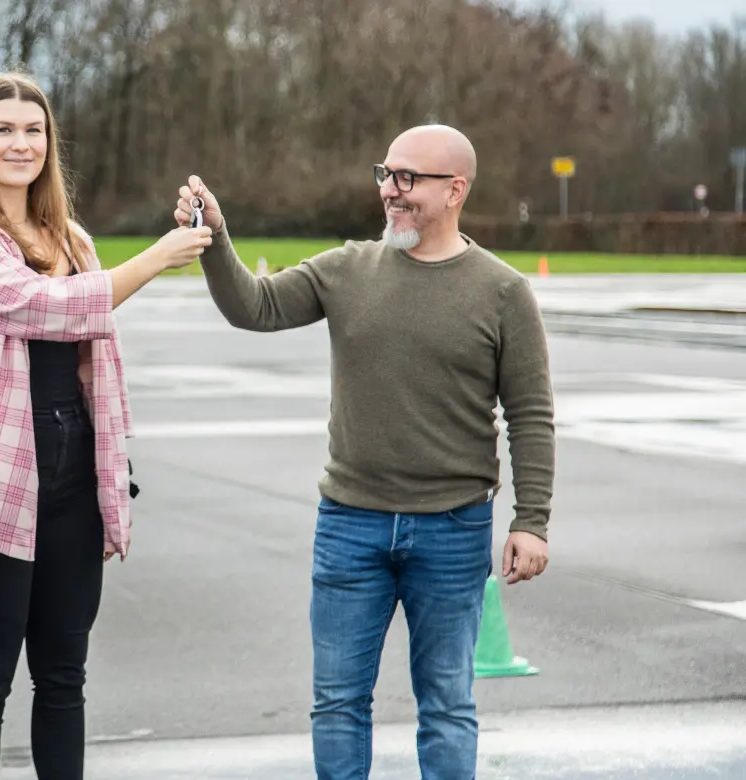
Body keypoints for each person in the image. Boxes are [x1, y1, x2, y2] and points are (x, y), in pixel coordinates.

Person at [172, 124, 555, 779]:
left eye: (407, 178)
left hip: (454, 527)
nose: (389, 190)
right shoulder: (346, 269)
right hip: (350, 523)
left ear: (455, 189)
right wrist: (217, 238)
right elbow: (255, 308)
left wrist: (531, 520)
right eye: (385, 173)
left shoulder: (502, 291)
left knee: (447, 704)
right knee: (338, 702)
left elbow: (530, 413)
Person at [0, 70, 211, 780]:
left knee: (63, 676)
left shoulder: (70, 237)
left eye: (34, 130)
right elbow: (41, 306)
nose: (21, 144)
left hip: (74, 473)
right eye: (3, 130)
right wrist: (155, 258)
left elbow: (89, 328)